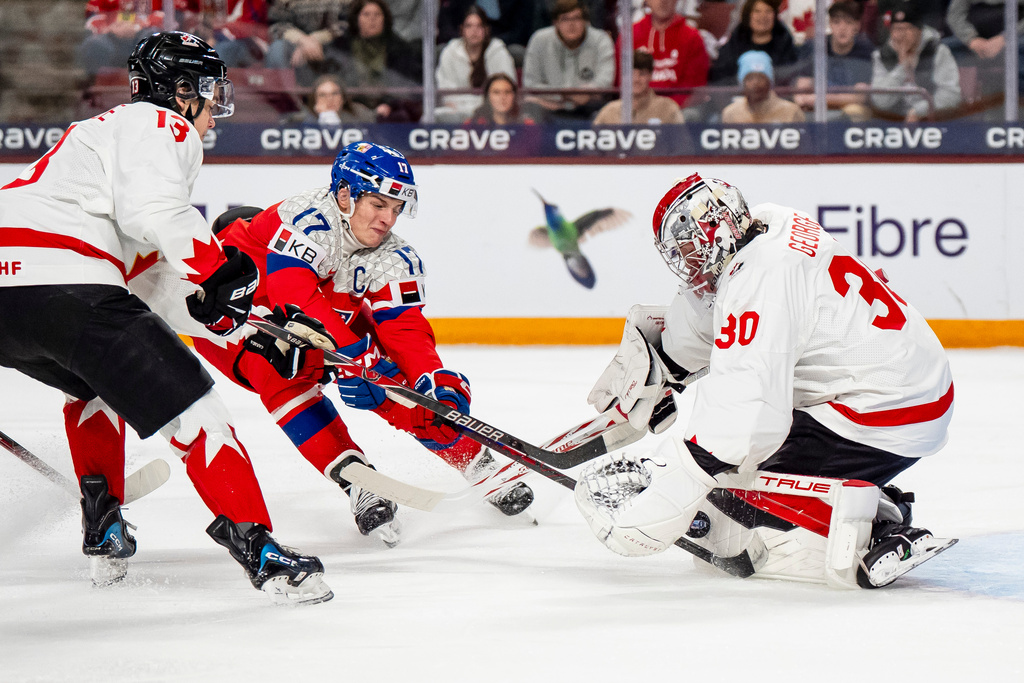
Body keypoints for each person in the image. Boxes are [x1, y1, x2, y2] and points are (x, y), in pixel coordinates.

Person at [0, 31, 332, 605]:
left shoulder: (95, 146)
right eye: (208, 92)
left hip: (16, 294)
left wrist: (240, 327)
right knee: (197, 410)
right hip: (66, 284)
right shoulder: (161, 126)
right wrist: (219, 273)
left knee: (95, 384)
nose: (213, 110)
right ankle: (263, 551)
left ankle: (102, 525)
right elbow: (157, 213)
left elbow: (152, 284)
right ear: (181, 92)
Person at [573, 173, 956, 589]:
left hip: (881, 412)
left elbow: (746, 416)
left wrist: (672, 488)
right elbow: (721, 311)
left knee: (730, 532)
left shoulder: (760, 281)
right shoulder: (772, 223)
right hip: (906, 385)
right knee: (725, 496)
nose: (686, 262)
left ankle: (872, 531)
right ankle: (856, 501)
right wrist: (663, 359)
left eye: (688, 249)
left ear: (714, 235)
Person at [145, 141, 536, 546]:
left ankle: (474, 459)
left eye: (397, 208)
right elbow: (292, 291)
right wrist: (354, 357)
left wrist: (429, 377)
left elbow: (403, 327)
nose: (389, 219)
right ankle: (358, 483)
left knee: (389, 375)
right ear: (346, 193)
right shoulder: (307, 216)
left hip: (315, 312)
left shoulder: (394, 256)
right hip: (242, 315)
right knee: (284, 370)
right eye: (379, 204)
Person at [330, 0, 424, 121]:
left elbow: (406, 85)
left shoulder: (401, 49)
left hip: (390, 110)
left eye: (377, 15)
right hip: (349, 107)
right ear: (356, 18)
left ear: (385, 18)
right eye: (366, 14)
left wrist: (388, 104)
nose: (372, 19)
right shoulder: (340, 47)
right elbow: (335, 81)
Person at [522, 0, 615, 120]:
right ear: (555, 22)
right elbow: (530, 83)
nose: (571, 24)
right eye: (565, 19)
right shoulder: (539, 40)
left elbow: (606, 81)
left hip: (589, 106)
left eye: (576, 18)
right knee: (529, 104)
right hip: (549, 107)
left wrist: (582, 93)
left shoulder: (601, 40)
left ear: (586, 22)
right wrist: (561, 95)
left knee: (608, 108)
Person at [871, 0, 962, 122]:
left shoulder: (937, 51)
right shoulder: (883, 55)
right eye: (896, 29)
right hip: (892, 123)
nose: (900, 35)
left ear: (919, 30)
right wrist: (902, 68)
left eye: (907, 29)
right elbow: (880, 101)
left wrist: (919, 111)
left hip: (932, 121)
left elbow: (951, 95)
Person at [792, 1, 873, 122]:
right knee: (793, 111)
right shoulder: (816, 47)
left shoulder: (865, 51)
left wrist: (818, 99)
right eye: (836, 22)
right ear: (830, 24)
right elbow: (802, 84)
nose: (842, 28)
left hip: (846, 110)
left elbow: (859, 97)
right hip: (815, 107)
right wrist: (802, 98)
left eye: (848, 22)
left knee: (857, 111)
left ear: (857, 26)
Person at [435, 5, 518, 122]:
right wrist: (473, 105)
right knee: (434, 116)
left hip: (492, 114)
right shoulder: (449, 52)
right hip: (457, 112)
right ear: (462, 29)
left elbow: (505, 92)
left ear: (486, 30)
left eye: (479, 26)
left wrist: (481, 107)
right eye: (469, 26)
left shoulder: (499, 52)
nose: (474, 31)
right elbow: (447, 95)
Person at [623, 0, 709, 107]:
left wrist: (665, 109)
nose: (663, 1)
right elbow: (622, 82)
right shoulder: (629, 35)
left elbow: (693, 88)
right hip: (636, 107)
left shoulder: (692, 38)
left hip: (678, 112)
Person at [709, 0, 799, 86]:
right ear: (747, 15)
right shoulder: (731, 47)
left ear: (775, 15)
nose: (763, 16)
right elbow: (719, 81)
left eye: (768, 11)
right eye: (757, 11)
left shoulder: (787, 48)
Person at [945, 0, 1024, 96]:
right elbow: (954, 16)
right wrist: (971, 40)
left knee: (1019, 50)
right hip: (977, 37)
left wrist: (1006, 38)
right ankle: (962, 103)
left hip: (1016, 34)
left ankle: (1018, 100)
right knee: (946, 48)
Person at [264, 0, 348, 87]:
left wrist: (314, 40)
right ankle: (284, 96)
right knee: (277, 49)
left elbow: (346, 23)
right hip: (294, 44)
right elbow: (275, 24)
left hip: (332, 43)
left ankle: (342, 96)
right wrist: (303, 40)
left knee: (345, 51)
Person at [593, 50, 685, 124]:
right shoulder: (609, 112)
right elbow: (593, 145)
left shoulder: (668, 109)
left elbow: (683, 145)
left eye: (642, 74)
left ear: (650, 75)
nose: (636, 79)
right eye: (631, 74)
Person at [721, 50, 805, 123]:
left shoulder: (791, 112)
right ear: (742, 83)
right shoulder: (731, 113)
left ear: (770, 82)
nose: (755, 83)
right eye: (750, 78)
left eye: (761, 78)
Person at [284, 74, 377, 124]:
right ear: (315, 99)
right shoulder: (301, 119)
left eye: (335, 93)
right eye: (322, 95)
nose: (329, 99)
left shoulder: (360, 115)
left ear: (343, 98)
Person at [467, 72, 540, 124]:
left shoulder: (527, 126)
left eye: (507, 92)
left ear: (514, 96)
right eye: (496, 92)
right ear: (487, 97)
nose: (502, 97)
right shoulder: (472, 125)